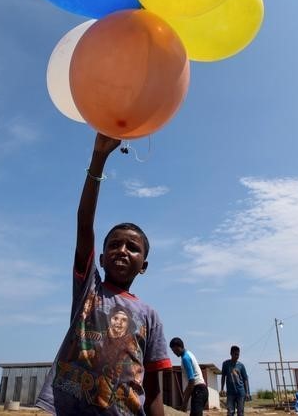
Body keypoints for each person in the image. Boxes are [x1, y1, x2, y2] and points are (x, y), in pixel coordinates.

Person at [36, 133, 173, 415]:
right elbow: (84, 224)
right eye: (114, 245)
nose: (122, 250)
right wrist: (98, 158)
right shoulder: (89, 290)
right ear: (100, 258)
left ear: (144, 265)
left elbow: (154, 387)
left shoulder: (149, 316)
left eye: (132, 248)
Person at [169, 338, 208, 416]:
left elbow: (192, 381)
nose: (174, 353)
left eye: (174, 350)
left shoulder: (185, 358)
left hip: (198, 390)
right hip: (201, 390)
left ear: (178, 347)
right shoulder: (189, 353)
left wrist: (184, 403)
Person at [220, 345, 250, 416]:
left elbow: (245, 379)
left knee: (240, 412)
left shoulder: (241, 365)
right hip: (230, 393)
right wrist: (222, 389)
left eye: (238, 354)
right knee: (230, 412)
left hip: (240, 392)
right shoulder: (225, 364)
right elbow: (223, 376)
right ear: (231, 353)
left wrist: (247, 392)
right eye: (235, 354)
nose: (237, 356)